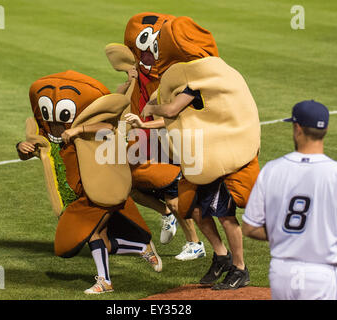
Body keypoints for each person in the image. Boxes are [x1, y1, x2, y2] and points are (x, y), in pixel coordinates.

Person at [141, 16, 261, 289]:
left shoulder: (196, 84)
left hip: (220, 160)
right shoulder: (196, 80)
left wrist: (152, 109)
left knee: (225, 215)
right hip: (202, 158)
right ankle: (221, 256)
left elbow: (171, 110)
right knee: (195, 210)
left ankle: (240, 269)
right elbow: (177, 115)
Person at [17, 70, 162, 295]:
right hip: (79, 196)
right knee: (101, 241)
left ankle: (105, 282)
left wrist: (78, 129)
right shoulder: (45, 138)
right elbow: (31, 152)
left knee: (90, 234)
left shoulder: (84, 130)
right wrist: (21, 149)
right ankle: (140, 248)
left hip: (100, 190)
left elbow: (109, 128)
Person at [108, 12, 206, 261]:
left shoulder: (173, 78)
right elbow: (119, 98)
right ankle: (166, 214)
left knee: (174, 195)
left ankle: (195, 243)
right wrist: (127, 82)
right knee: (127, 185)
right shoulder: (139, 71)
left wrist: (145, 124)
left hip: (170, 141)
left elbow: (177, 116)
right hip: (145, 140)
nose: (150, 53)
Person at [242, 100, 337, 300]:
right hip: (322, 274)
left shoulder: (272, 170)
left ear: (297, 128)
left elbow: (249, 228)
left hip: (282, 273)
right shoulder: (334, 174)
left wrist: (286, 234)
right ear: (326, 129)